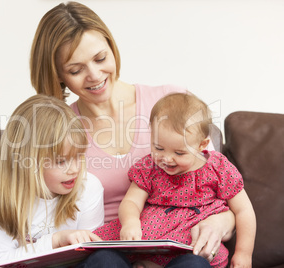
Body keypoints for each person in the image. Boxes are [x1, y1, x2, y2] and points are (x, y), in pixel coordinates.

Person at [0, 1, 237, 266]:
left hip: (177, 248)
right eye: (76, 70)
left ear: (112, 48)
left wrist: (220, 221)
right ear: (59, 75)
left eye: (100, 58)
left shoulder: (170, 102)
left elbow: (219, 185)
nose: (95, 75)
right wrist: (37, 245)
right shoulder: (59, 130)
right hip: (105, 256)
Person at [94, 93, 257, 268]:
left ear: (202, 145)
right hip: (145, 246)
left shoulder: (218, 168)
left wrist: (243, 254)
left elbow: (244, 211)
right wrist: (130, 221)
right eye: (158, 148)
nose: (167, 158)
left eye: (179, 153)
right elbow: (132, 201)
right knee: (102, 257)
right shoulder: (150, 167)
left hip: (188, 252)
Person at [0, 94, 108, 267]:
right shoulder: (4, 200)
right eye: (61, 161)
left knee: (107, 258)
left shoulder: (88, 187)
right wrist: (54, 241)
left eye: (78, 156)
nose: (74, 169)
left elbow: (92, 256)